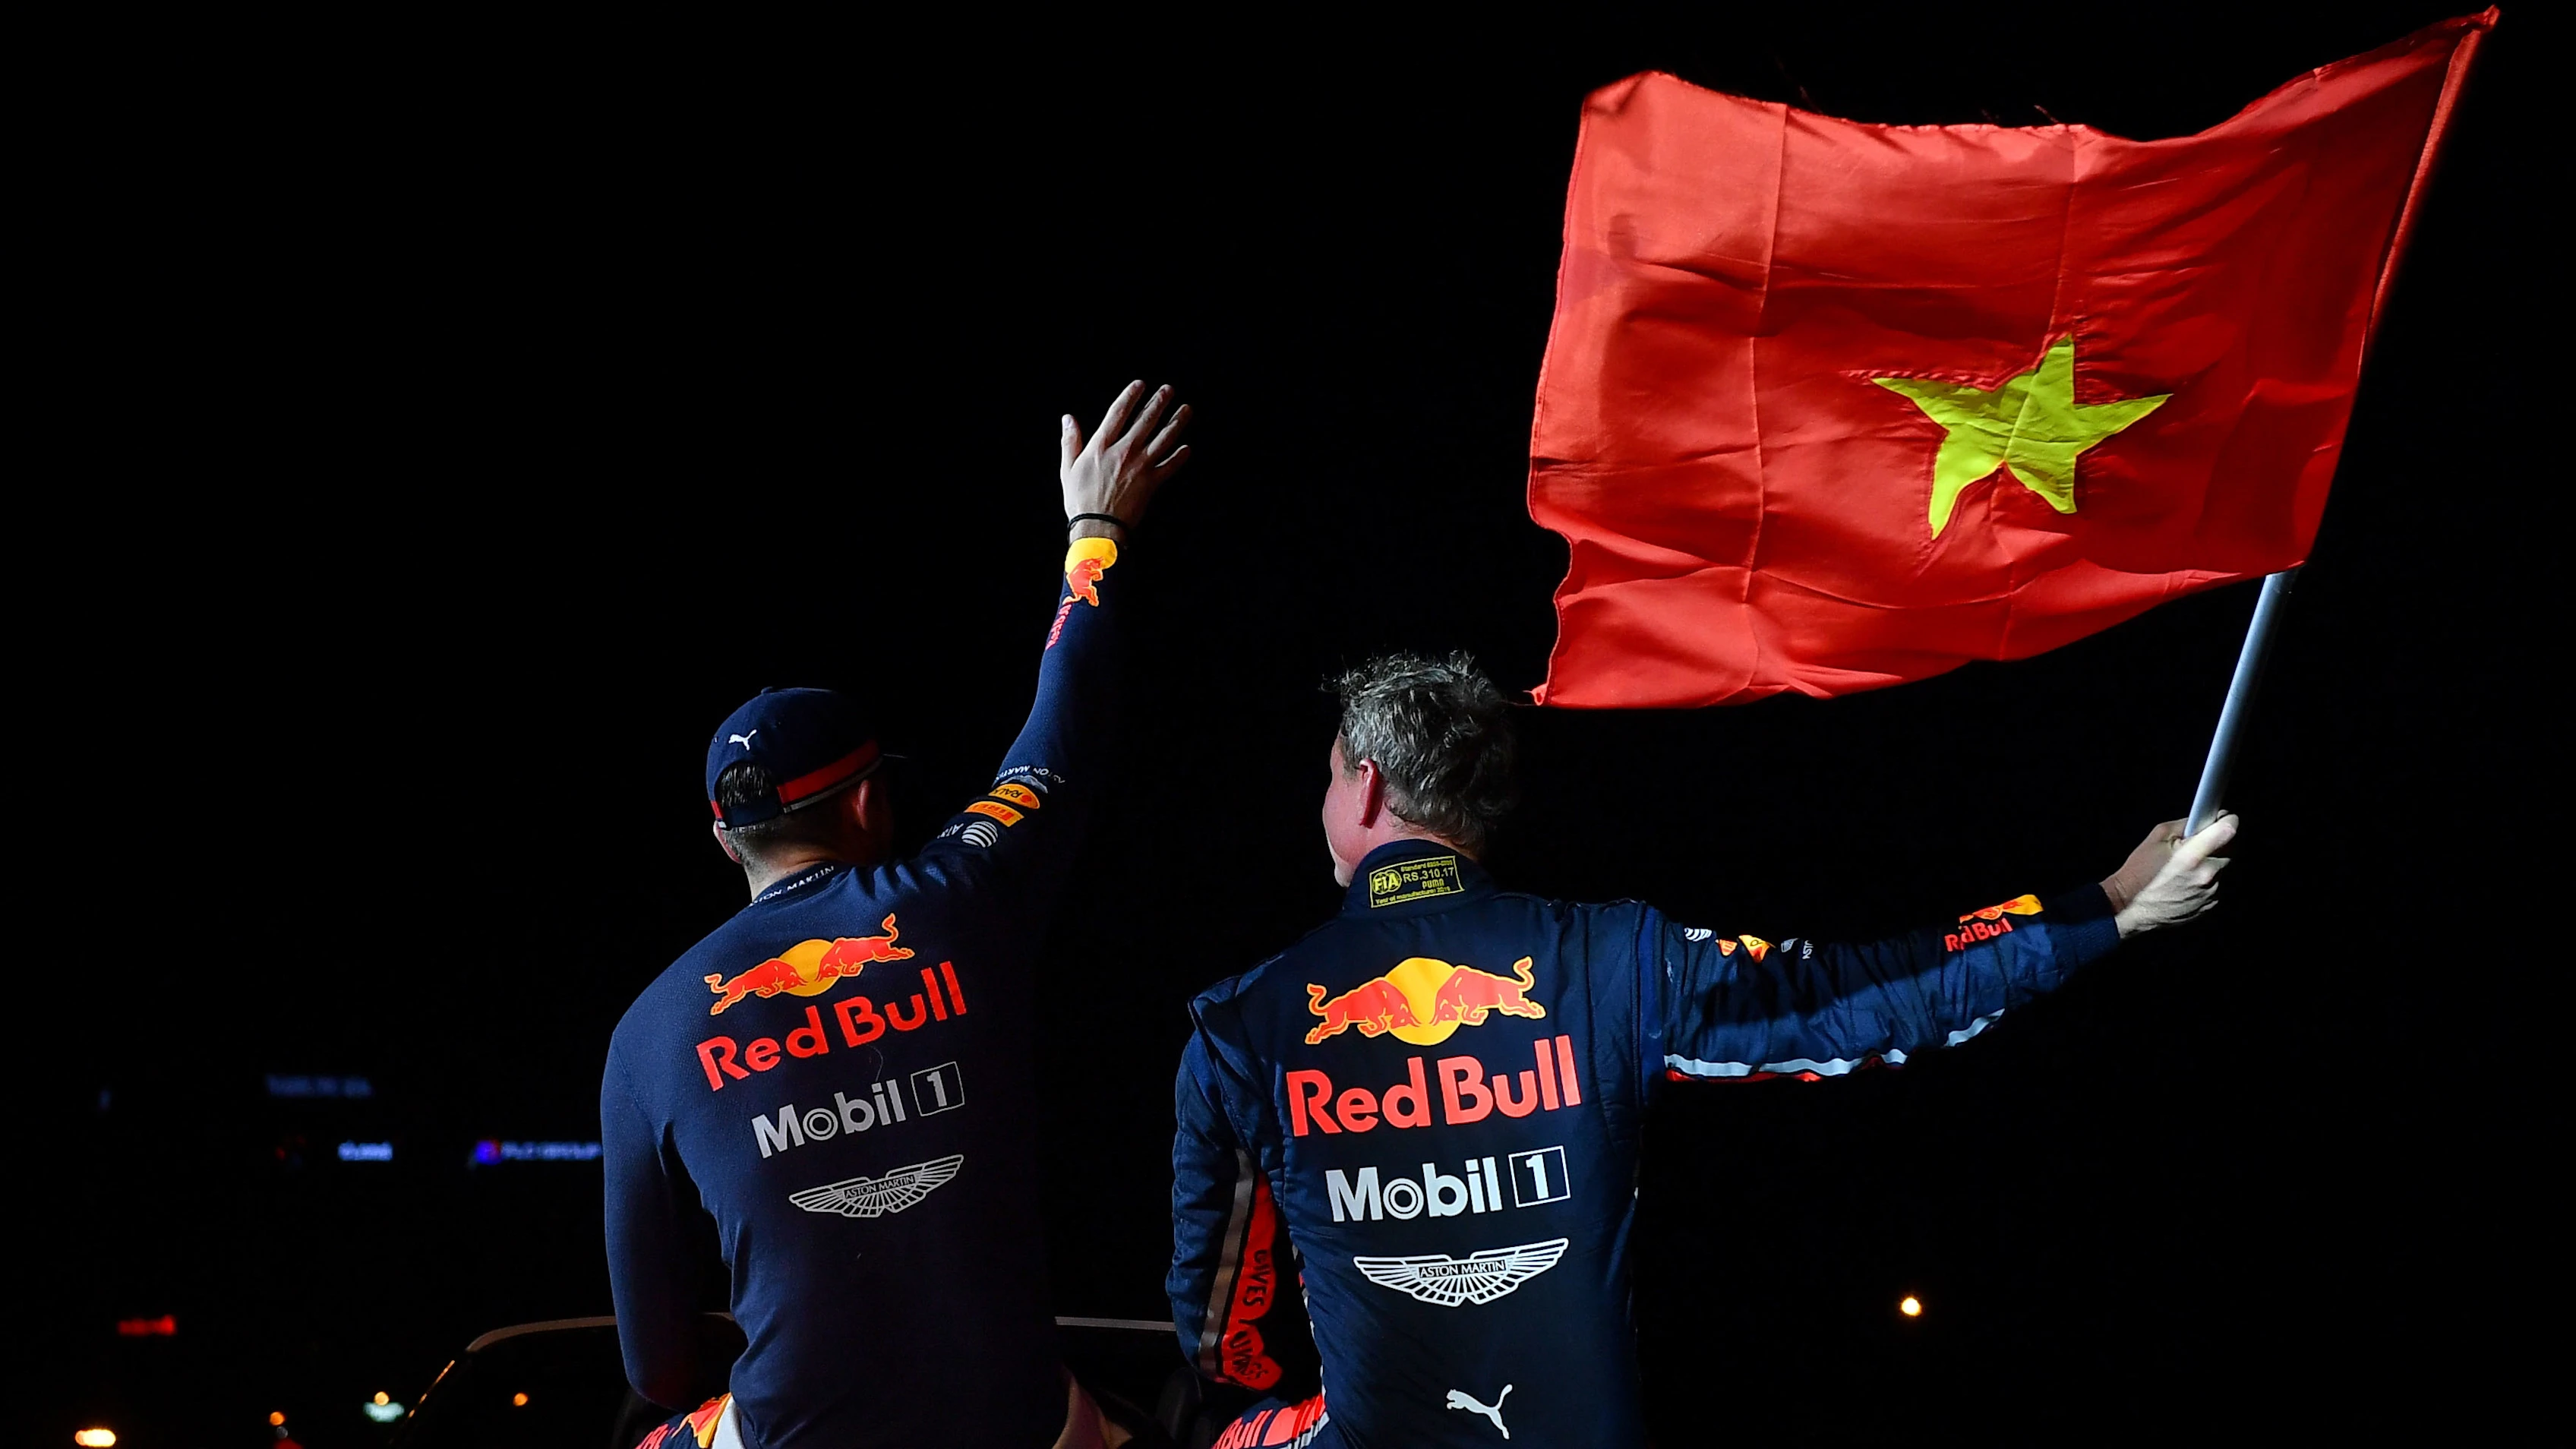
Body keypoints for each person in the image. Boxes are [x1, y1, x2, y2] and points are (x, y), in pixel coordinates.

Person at [1168, 652, 2235, 1448]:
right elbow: (1861, 997)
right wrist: (2102, 909)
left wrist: (1256, 1406)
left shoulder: (1240, 1021)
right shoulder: (1616, 959)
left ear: (1362, 787)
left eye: (1324, 780)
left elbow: (1222, 1325)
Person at [605, 381, 1192, 1449]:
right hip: (1015, 1422)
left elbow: (656, 1365)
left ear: (725, 840)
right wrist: (1094, 534)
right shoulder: (960, 899)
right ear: (874, 803)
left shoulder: (646, 1035)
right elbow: (1061, 733)